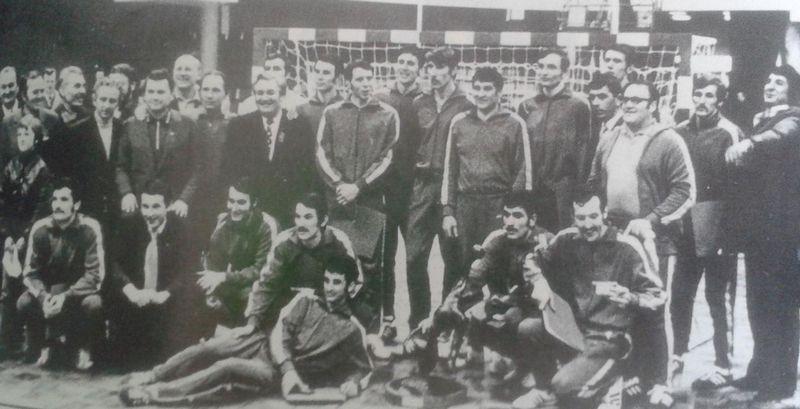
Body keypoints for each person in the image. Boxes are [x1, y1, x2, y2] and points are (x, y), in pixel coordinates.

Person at [117, 255, 370, 407]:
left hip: (273, 372)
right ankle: (152, 376)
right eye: (327, 280)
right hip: (262, 344)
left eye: (337, 283)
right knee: (208, 348)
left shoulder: (352, 330)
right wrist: (288, 368)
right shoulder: (306, 300)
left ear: (350, 287)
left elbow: (364, 367)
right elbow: (280, 333)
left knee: (226, 367)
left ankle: (154, 394)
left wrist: (353, 383)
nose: (329, 288)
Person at [588, 80, 695, 407]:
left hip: (653, 240)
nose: (629, 104)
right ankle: (630, 377)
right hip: (615, 237)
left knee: (655, 309)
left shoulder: (668, 140)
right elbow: (595, 184)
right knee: (619, 306)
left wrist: (650, 219)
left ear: (653, 104)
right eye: (626, 98)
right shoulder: (609, 137)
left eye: (638, 99)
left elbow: (685, 191)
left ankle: (661, 381)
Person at [511, 188, 664, 409]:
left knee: (563, 385)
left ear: (604, 213)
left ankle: (612, 384)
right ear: (573, 217)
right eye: (581, 218)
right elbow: (532, 259)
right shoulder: (566, 239)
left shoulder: (627, 247)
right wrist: (539, 280)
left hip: (610, 338)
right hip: (577, 331)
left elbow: (657, 295)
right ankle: (543, 390)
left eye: (593, 216)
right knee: (528, 329)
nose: (587, 224)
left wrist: (631, 298)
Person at [724, 64, 800, 407]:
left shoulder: (793, 118)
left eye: (778, 82)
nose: (769, 85)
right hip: (761, 229)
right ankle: (759, 370)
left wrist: (749, 143)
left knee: (780, 305)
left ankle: (781, 381)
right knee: (758, 302)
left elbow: (780, 136)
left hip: (782, 230)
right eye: (768, 80)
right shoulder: (761, 119)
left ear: (791, 91)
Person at [315, 59, 399, 332]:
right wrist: (340, 184)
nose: (365, 84)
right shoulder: (332, 112)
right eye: (360, 79)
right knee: (336, 262)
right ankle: (332, 327)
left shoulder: (388, 114)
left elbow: (388, 157)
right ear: (347, 82)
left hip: (370, 202)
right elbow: (321, 153)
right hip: (338, 200)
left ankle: (369, 331)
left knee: (370, 268)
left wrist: (359, 187)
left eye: (369, 78)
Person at [672, 74, 743, 390]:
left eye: (709, 96)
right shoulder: (679, 131)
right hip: (685, 225)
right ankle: (676, 355)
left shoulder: (730, 133)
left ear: (720, 100)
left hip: (718, 227)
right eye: (698, 94)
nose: (702, 101)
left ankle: (723, 366)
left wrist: (730, 234)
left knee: (717, 297)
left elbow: (740, 187)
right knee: (680, 295)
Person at [442, 67, 532, 292]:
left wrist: (512, 212)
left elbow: (523, 171)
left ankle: (497, 311)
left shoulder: (514, 123)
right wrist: (448, 211)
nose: (481, 94)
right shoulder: (459, 122)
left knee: (497, 265)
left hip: (498, 205)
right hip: (465, 206)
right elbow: (450, 170)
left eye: (487, 89)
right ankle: (457, 312)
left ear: (499, 92)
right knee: (463, 267)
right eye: (477, 88)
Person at [404, 47, 472, 328]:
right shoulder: (418, 103)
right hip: (421, 187)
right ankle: (418, 322)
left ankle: (446, 321)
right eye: (429, 67)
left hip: (450, 189)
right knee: (413, 257)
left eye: (439, 67)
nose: (432, 73)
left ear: (453, 70)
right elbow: (407, 146)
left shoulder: (466, 105)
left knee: (453, 259)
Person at [105, 180, 198, 365]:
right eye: (145, 206)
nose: (149, 213)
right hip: (136, 299)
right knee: (122, 361)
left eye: (156, 206)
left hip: (165, 301)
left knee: (169, 360)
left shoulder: (182, 228)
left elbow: (188, 270)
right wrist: (130, 290)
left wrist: (166, 293)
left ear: (168, 206)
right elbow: (114, 264)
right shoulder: (129, 224)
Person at [16, 177, 104, 370]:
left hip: (78, 294)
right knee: (24, 302)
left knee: (94, 304)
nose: (57, 205)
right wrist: (43, 297)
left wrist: (66, 296)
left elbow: (95, 275)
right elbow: (30, 274)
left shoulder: (90, 228)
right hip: (49, 295)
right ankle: (43, 345)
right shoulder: (40, 229)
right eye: (55, 199)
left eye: (64, 199)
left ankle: (84, 347)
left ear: (76, 205)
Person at [245, 192, 359, 330]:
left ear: (323, 220)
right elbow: (266, 284)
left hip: (327, 312)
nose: (301, 224)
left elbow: (355, 284)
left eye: (308, 217)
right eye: (298, 217)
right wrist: (253, 321)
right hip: (289, 312)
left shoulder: (339, 241)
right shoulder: (284, 242)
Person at [221, 74, 319, 229]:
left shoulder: (299, 125)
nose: (264, 98)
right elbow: (229, 169)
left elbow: (307, 171)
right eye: (259, 93)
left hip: (288, 210)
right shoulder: (239, 126)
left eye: (270, 92)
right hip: (250, 212)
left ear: (281, 95)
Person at [374, 46, 423, 337]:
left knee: (415, 258)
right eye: (401, 61)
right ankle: (388, 319)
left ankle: (418, 321)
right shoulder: (381, 98)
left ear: (419, 69)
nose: (405, 67)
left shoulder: (425, 100)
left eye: (411, 63)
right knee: (385, 258)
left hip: (415, 192)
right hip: (385, 191)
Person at [116, 68, 205, 220]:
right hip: (139, 205)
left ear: (171, 95)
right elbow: (120, 166)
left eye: (160, 92)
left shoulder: (187, 125)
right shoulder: (131, 125)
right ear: (144, 95)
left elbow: (198, 168)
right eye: (151, 92)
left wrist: (184, 200)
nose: (155, 97)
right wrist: (127, 193)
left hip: (175, 206)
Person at [518, 48, 592, 232]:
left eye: (551, 67)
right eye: (541, 66)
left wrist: (579, 191)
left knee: (563, 239)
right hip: (533, 189)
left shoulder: (578, 105)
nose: (544, 72)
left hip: (563, 190)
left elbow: (583, 151)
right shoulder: (527, 105)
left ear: (564, 73)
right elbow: (521, 151)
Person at [0, 115, 52, 361]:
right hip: (10, 236)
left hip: (31, 237)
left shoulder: (42, 169)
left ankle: (33, 345)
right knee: (7, 288)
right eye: (19, 134)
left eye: (27, 134)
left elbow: (41, 208)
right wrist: (7, 235)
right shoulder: (10, 166)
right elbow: (2, 203)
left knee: (28, 287)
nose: (22, 138)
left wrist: (23, 236)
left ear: (36, 138)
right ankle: (6, 342)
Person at [195, 177, 278, 329]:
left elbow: (261, 270)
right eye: (231, 201)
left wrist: (224, 277)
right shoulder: (223, 220)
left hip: (250, 286)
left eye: (241, 202)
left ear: (254, 203)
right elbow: (211, 259)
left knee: (249, 296)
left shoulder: (267, 226)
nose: (234, 208)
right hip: (228, 284)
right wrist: (211, 290)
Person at [62, 78, 125, 232]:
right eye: (103, 99)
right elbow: (70, 172)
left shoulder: (123, 129)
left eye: (112, 101)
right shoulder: (76, 131)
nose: (106, 105)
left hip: (116, 206)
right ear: (94, 100)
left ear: (118, 103)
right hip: (87, 205)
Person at [194, 70, 233, 245]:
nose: (209, 95)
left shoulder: (234, 124)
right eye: (206, 89)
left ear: (226, 93)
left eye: (216, 90)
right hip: (195, 199)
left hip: (223, 199)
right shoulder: (190, 123)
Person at [236, 51, 307, 116]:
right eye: (267, 69)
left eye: (276, 69)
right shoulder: (249, 104)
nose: (270, 73)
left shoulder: (300, 103)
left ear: (287, 74)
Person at [586, 73, 623, 179]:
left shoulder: (625, 128)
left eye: (602, 97)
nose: (595, 103)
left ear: (618, 100)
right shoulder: (596, 125)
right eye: (592, 98)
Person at [297, 53, 344, 133]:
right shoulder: (301, 110)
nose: (319, 77)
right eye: (317, 71)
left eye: (326, 73)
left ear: (338, 79)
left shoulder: (346, 109)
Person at [170, 54, 204, 120]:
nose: (182, 73)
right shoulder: (166, 99)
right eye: (179, 69)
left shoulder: (205, 100)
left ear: (199, 75)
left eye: (187, 69)